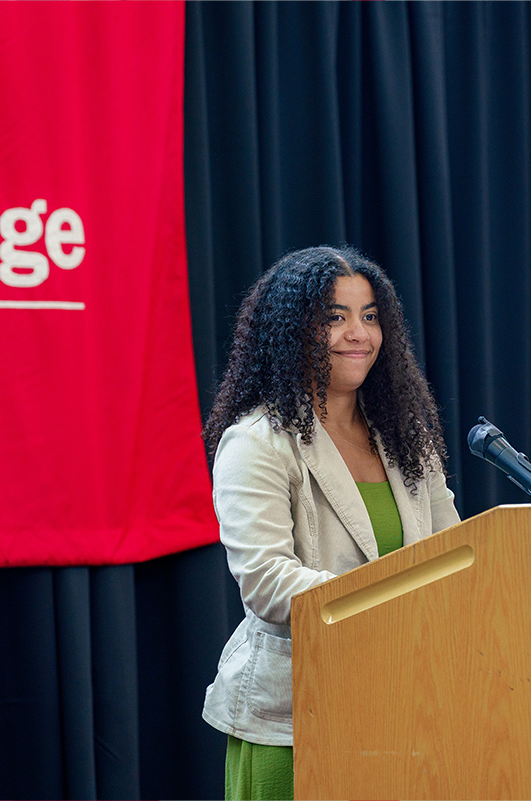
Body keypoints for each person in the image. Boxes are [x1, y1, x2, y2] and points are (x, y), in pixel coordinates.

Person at [200, 245, 460, 800]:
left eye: (370, 316)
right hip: (295, 719)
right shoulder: (256, 442)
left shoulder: (405, 438)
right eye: (335, 318)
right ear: (292, 331)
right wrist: (393, 600)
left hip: (403, 705)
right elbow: (267, 582)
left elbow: (453, 551)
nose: (358, 334)